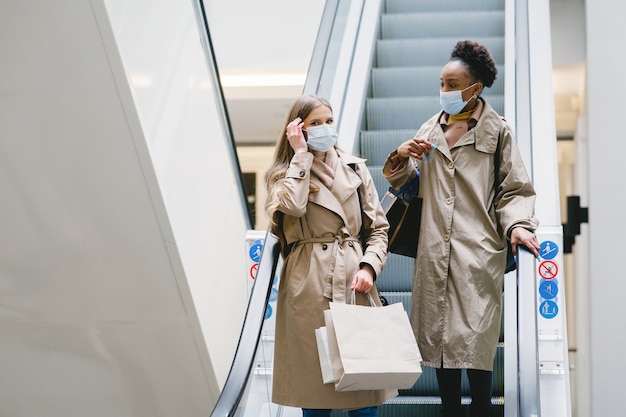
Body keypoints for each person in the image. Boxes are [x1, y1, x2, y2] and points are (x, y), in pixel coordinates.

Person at [382, 40, 541, 417]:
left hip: (479, 250)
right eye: (443, 83)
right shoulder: (428, 129)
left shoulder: (497, 131)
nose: (446, 91)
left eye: (454, 84)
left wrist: (517, 226)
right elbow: (410, 187)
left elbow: (514, 188)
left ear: (477, 87)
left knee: (476, 339)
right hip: (435, 248)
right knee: (438, 338)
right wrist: (400, 157)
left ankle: (482, 409)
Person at [265, 94, 395, 417]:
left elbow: (378, 229)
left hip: (354, 284)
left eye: (329, 121)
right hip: (308, 288)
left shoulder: (355, 169)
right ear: (297, 129)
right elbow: (293, 206)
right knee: (315, 400)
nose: (325, 128)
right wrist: (301, 156)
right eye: (315, 123)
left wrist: (369, 267)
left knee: (364, 396)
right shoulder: (284, 174)